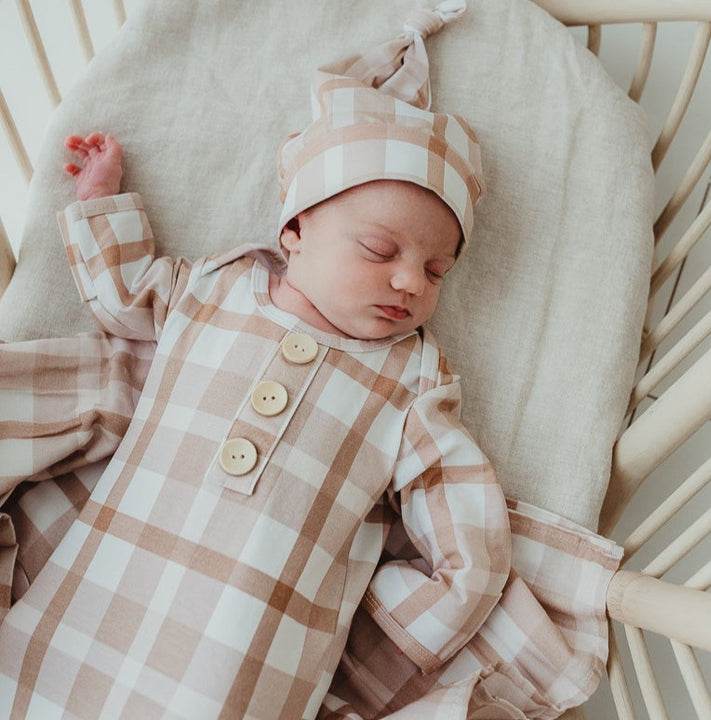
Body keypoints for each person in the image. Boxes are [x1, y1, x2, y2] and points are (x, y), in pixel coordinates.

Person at [0, 4, 622, 719]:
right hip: (104, 590)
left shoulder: (411, 381)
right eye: (380, 251)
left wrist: (419, 619)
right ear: (294, 231)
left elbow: (459, 510)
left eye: (437, 269)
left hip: (253, 642)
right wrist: (99, 199)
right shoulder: (212, 288)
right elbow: (122, 298)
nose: (410, 282)